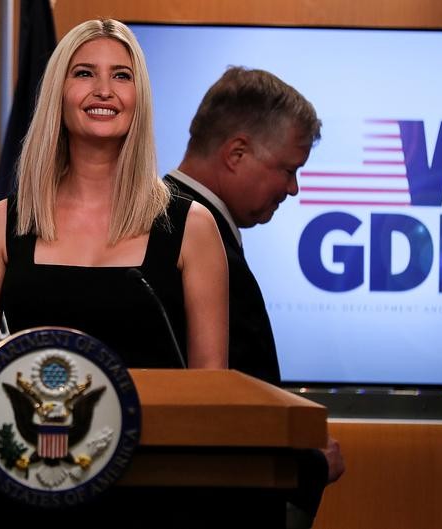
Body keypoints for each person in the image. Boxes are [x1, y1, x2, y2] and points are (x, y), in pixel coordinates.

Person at [0, 19, 228, 370]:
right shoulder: (2, 223)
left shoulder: (193, 227)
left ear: (139, 96)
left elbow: (211, 386)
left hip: (158, 426)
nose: (104, 90)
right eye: (84, 73)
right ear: (57, 94)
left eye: (122, 76)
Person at [164, 67, 344, 527]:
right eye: (288, 169)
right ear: (236, 152)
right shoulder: (191, 242)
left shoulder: (159, 222)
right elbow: (217, 418)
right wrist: (312, 467)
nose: (293, 188)